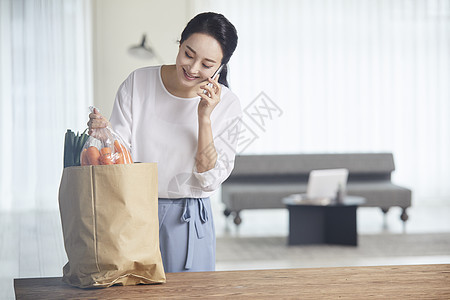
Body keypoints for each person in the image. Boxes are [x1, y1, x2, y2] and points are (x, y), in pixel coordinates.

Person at [87, 12, 241, 273]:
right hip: (132, 211)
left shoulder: (227, 105)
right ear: (180, 44)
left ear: (221, 67)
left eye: (206, 64)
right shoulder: (139, 82)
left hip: (188, 219)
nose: (193, 69)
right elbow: (119, 157)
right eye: (188, 54)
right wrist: (104, 136)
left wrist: (204, 117)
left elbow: (209, 179)